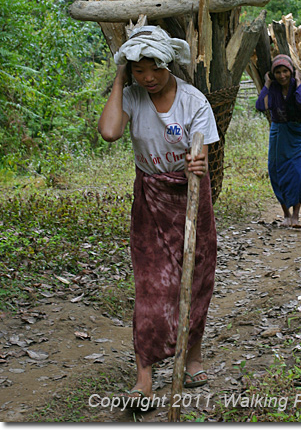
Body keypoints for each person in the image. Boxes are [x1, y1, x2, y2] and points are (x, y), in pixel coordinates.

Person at [98, 24, 219, 406]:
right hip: (150, 196)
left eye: (155, 68)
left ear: (169, 64)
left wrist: (197, 161)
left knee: (196, 276)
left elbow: (203, 152)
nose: (147, 77)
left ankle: (192, 357)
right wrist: (119, 75)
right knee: (150, 286)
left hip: (191, 196)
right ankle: (144, 376)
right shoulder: (132, 96)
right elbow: (110, 132)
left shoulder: (194, 101)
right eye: (138, 69)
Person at [255, 54, 301, 228]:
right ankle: (286, 215)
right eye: (277, 72)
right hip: (279, 132)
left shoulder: (300, 86)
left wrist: (298, 79)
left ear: (291, 71)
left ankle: (296, 216)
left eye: (285, 71)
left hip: (298, 133)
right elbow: (260, 106)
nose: (282, 75)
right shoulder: (273, 89)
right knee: (277, 171)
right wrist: (267, 84)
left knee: (300, 172)